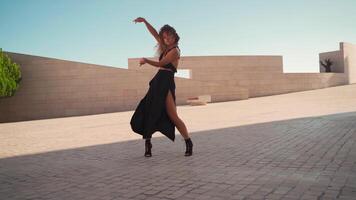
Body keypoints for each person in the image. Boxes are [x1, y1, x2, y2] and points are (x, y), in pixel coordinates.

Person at [130, 17, 193, 157]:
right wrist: (145, 22)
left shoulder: (175, 51)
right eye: (164, 37)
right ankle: (148, 143)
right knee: (149, 111)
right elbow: (154, 34)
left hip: (167, 82)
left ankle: (188, 141)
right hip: (158, 81)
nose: (166, 39)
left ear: (174, 35)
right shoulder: (165, 47)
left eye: (168, 36)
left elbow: (162, 64)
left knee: (173, 115)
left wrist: (146, 60)